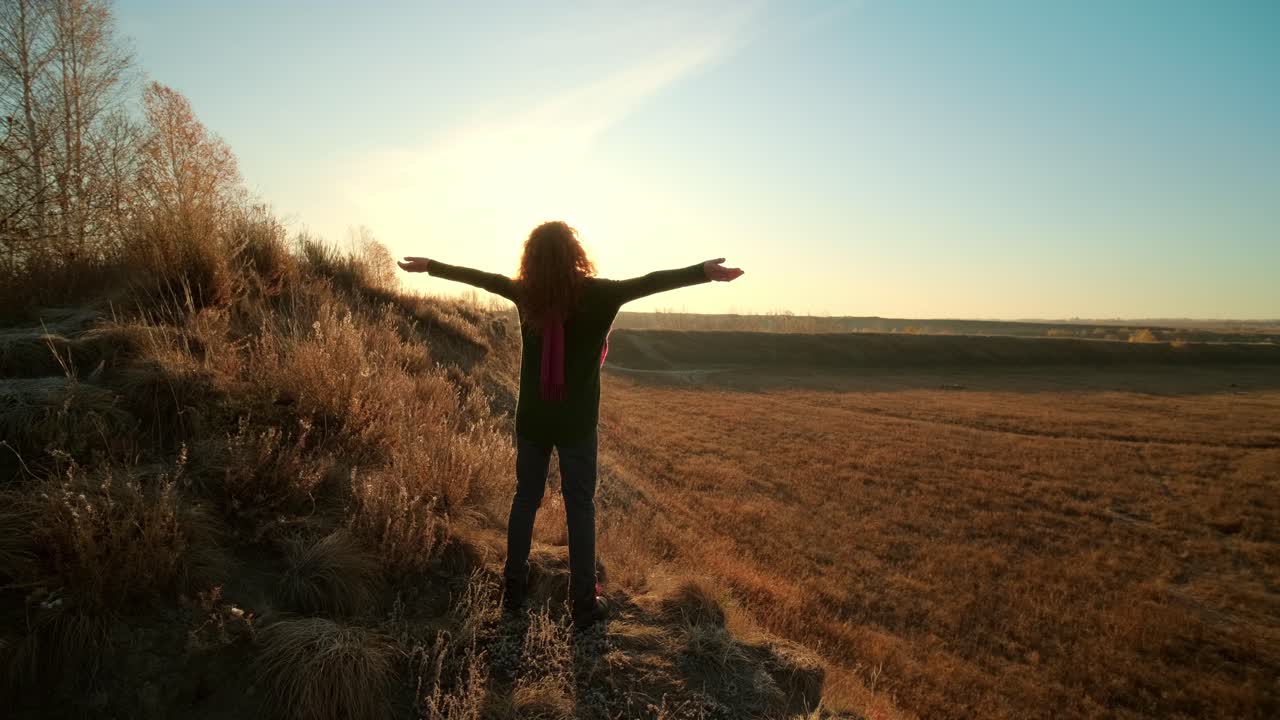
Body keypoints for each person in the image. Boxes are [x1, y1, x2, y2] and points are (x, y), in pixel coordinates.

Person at [398, 221, 743, 628]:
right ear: (575, 253)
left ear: (532, 258)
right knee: (581, 508)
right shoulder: (601, 294)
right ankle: (583, 603)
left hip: (533, 419)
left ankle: (513, 589)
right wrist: (702, 272)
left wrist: (430, 266)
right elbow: (651, 281)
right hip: (577, 424)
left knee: (525, 500)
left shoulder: (527, 295)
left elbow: (484, 278)